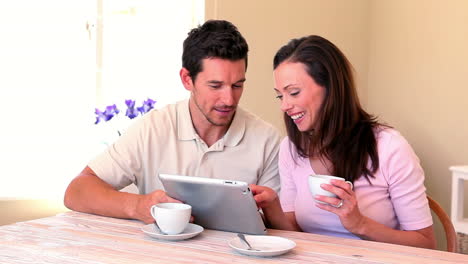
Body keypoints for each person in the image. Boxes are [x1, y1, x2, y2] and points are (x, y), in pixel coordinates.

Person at [64, 20, 281, 224]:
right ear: (187, 79)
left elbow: (283, 226)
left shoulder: (267, 140)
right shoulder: (153, 128)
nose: (229, 99)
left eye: (237, 85)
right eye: (215, 86)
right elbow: (76, 192)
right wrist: (138, 206)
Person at [251, 35, 436, 249]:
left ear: (330, 87)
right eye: (280, 96)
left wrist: (360, 224)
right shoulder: (291, 148)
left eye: (293, 92)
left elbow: (426, 244)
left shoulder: (389, 147)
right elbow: (295, 233)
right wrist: (272, 205)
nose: (284, 105)